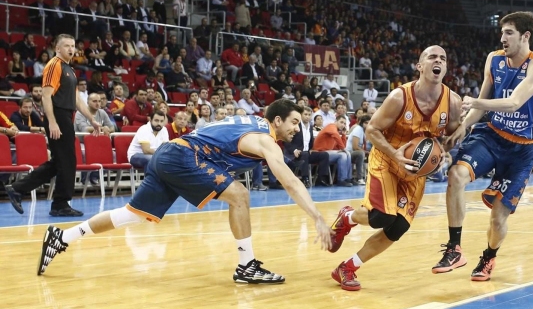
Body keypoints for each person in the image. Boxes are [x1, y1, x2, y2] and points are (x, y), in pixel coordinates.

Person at [36, 99, 333, 283]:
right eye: (294, 122)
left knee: (132, 215)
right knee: (240, 195)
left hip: (170, 154)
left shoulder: (252, 121)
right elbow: (290, 181)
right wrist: (317, 217)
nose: (298, 128)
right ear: (277, 120)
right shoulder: (264, 137)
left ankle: (62, 237)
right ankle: (247, 266)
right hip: (183, 156)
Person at [327, 45, 462, 291]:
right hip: (388, 158)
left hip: (415, 169)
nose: (438, 60)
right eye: (432, 57)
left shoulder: (452, 101)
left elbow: (451, 135)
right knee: (381, 217)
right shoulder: (400, 97)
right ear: (420, 66)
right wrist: (394, 153)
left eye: (443, 58)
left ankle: (347, 267)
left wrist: (449, 147)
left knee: (398, 226)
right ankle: (346, 216)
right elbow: (371, 130)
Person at [431, 12, 533, 281]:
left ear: (525, 35)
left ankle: (488, 256)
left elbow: (513, 103)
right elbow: (483, 102)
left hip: (523, 150)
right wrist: (463, 125)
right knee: (456, 175)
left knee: (498, 218)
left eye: (508, 32)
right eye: (501, 32)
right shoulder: (494, 59)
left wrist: (473, 103)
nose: (502, 38)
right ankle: (454, 248)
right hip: (493, 135)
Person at [5, 34, 101, 217]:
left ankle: (19, 189)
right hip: (57, 116)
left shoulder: (70, 70)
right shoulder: (53, 65)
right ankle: (60, 204)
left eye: (73, 46)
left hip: (66, 116)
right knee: (67, 161)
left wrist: (92, 119)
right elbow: (46, 96)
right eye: (67, 46)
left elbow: (77, 100)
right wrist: (53, 122)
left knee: (60, 162)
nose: (71, 49)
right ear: (57, 48)